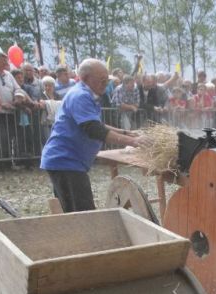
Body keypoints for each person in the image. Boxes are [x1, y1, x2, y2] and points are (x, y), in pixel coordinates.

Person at [40, 59, 144, 212]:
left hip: (69, 161)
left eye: (106, 79)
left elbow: (96, 123)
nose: (105, 83)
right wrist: (134, 141)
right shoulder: (80, 96)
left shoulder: (88, 94)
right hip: (65, 160)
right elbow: (93, 129)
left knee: (73, 211)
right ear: (86, 78)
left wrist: (126, 132)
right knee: (83, 214)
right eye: (101, 80)